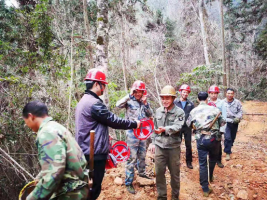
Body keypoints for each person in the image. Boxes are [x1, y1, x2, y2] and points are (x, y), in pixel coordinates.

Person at [75, 68, 140, 200]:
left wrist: (104, 136)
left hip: (85, 151)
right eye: (103, 84)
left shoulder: (84, 100)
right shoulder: (94, 104)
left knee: (89, 188)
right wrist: (134, 124)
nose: (104, 88)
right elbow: (114, 121)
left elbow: (92, 125)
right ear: (96, 84)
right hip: (93, 154)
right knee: (93, 189)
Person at [22, 101, 88, 200]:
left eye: (25, 121)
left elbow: (54, 172)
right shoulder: (56, 127)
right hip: (77, 189)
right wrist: (40, 177)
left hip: (69, 193)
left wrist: (33, 198)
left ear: (31, 116)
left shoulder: (46, 133)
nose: (26, 125)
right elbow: (58, 161)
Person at [116, 80, 153, 194]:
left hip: (143, 133)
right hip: (132, 133)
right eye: (136, 92)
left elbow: (150, 114)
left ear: (143, 92)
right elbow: (118, 105)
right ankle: (128, 182)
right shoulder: (129, 101)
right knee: (131, 158)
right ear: (133, 91)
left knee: (142, 155)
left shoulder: (144, 102)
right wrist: (129, 95)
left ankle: (142, 174)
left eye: (140, 92)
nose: (138, 94)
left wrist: (146, 103)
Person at [149, 85, 185, 200]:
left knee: (174, 174)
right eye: (163, 98)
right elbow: (154, 128)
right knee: (159, 173)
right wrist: (153, 142)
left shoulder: (179, 112)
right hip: (160, 146)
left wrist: (164, 129)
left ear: (173, 99)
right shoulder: (158, 111)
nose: (165, 101)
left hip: (173, 147)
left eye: (167, 98)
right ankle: (162, 197)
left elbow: (178, 126)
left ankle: (175, 197)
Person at [186, 92, 226, 197]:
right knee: (212, 158)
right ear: (207, 99)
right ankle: (211, 175)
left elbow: (188, 124)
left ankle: (205, 188)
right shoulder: (215, 110)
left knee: (202, 163)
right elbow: (222, 123)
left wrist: (197, 126)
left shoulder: (193, 111)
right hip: (214, 139)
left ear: (198, 99)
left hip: (201, 139)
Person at [174, 84, 194, 169]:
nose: (185, 94)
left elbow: (192, 115)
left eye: (187, 92)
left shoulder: (190, 104)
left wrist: (192, 125)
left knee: (188, 144)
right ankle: (176, 161)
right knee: (176, 144)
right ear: (180, 92)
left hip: (187, 127)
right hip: (177, 127)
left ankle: (189, 162)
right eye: (184, 92)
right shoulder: (175, 102)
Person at [208, 85, 227, 168]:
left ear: (217, 94)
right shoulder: (206, 101)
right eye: (211, 93)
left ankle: (218, 160)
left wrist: (222, 128)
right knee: (208, 143)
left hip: (218, 126)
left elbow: (224, 115)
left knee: (218, 144)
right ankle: (210, 159)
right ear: (209, 93)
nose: (213, 95)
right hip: (208, 126)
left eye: (215, 93)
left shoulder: (221, 103)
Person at [223, 88, 243, 161]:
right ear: (226, 93)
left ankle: (229, 146)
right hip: (225, 122)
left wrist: (238, 118)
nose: (230, 95)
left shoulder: (237, 102)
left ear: (233, 94)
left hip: (234, 122)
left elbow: (240, 111)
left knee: (232, 137)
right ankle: (227, 152)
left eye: (231, 93)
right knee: (227, 137)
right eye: (228, 93)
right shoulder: (222, 102)